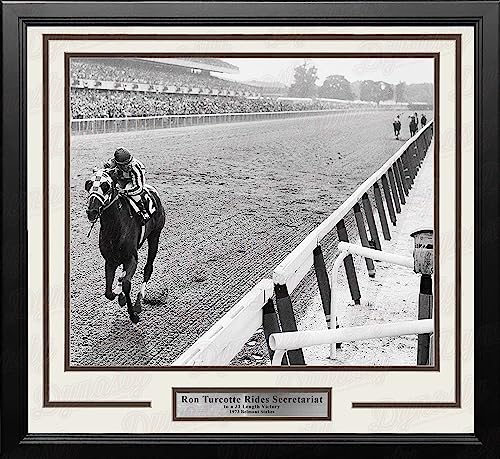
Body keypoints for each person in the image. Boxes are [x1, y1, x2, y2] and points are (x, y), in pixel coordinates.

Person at [104, 148, 149, 222]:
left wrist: (124, 191)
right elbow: (106, 170)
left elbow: (138, 188)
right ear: (117, 163)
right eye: (124, 165)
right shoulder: (112, 162)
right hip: (121, 176)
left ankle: (143, 212)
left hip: (133, 179)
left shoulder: (136, 168)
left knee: (131, 192)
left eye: (129, 162)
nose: (128, 166)